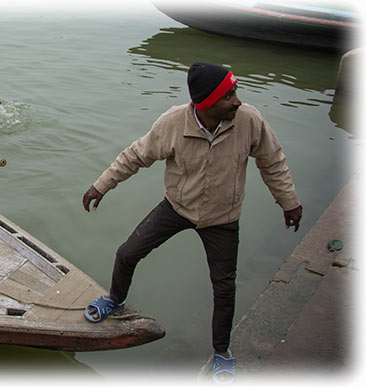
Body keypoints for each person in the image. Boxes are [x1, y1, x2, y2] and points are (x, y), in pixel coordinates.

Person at [81, 62, 303, 383]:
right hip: (177, 207)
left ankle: (222, 353)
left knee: (224, 288)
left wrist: (289, 202)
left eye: (235, 93)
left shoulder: (249, 120)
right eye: (228, 97)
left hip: (223, 218)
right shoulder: (172, 124)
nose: (237, 101)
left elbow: (273, 161)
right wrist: (101, 185)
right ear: (205, 103)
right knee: (127, 253)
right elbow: (135, 156)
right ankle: (115, 300)